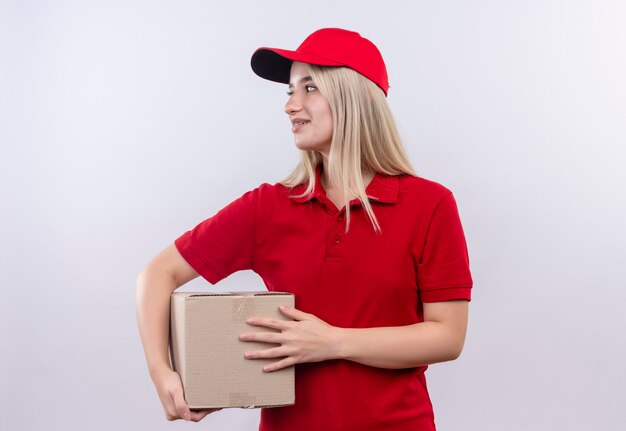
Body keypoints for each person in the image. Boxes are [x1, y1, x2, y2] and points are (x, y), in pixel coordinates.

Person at [136, 27, 473, 431]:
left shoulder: (430, 204)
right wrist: (163, 373)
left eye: (309, 87)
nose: (291, 105)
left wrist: (332, 342)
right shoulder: (269, 207)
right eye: (289, 91)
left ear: (355, 97)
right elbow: (158, 274)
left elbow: (447, 336)